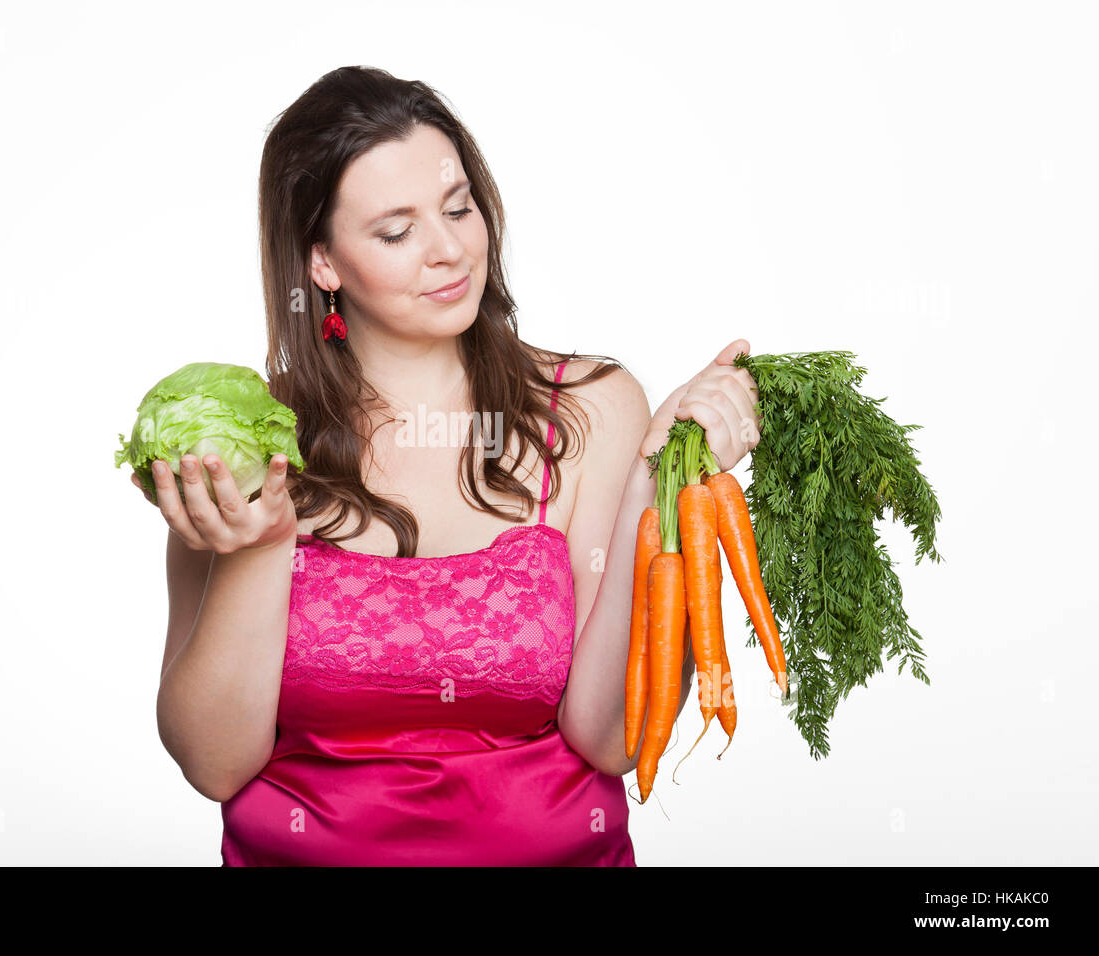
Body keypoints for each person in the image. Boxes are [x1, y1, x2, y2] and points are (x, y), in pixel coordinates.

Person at [131, 66, 761, 865]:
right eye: (396, 232)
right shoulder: (246, 439)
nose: (450, 249)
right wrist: (260, 544)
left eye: (459, 207)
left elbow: (611, 740)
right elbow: (214, 763)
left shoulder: (595, 408)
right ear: (322, 262)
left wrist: (657, 483)